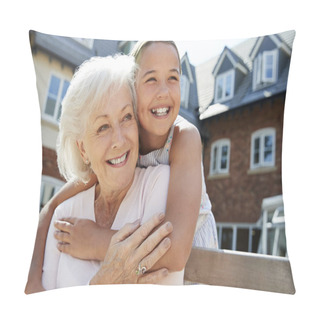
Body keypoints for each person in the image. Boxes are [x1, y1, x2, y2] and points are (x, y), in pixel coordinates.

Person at [25, 41, 218, 292]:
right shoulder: (128, 134)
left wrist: (96, 241)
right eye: (151, 80)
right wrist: (31, 277)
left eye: (173, 78)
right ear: (134, 88)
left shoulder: (185, 137)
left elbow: (176, 252)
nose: (163, 91)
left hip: (192, 256)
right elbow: (57, 202)